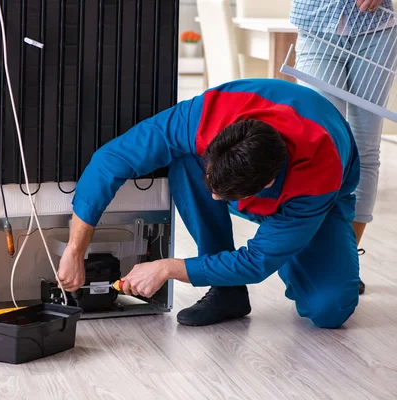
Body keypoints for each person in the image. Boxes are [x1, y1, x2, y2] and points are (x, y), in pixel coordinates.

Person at [57, 78, 361, 329]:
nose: (213, 199)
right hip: (262, 175)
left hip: (320, 203)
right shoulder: (205, 116)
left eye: (225, 195)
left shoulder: (318, 173)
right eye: (213, 184)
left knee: (329, 309)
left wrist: (167, 267)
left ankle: (292, 244)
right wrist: (75, 248)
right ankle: (228, 292)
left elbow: (256, 262)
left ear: (266, 186)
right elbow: (111, 161)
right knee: (184, 161)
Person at [290, 0, 397, 294]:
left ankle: (345, 259)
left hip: (377, 29)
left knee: (364, 148)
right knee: (321, 145)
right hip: (315, 25)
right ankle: (317, 253)